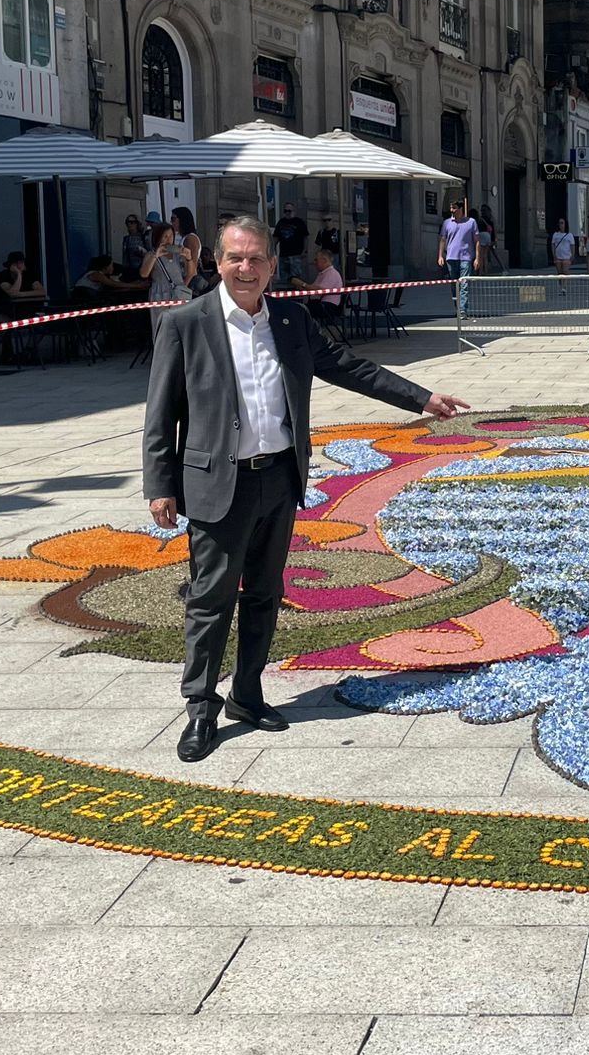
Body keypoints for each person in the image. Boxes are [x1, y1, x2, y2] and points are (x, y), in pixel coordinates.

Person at [145, 216, 468, 762]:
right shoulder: (186, 323)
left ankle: (248, 693)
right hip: (217, 483)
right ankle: (200, 708)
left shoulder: (291, 319)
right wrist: (160, 485)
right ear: (217, 263)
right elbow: (161, 413)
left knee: (265, 594)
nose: (246, 268)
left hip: (278, 477)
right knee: (210, 600)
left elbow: (348, 367)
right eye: (235, 258)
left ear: (272, 265)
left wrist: (421, 398)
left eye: (256, 258)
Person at [141, 220, 196, 305]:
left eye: (171, 236)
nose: (169, 239)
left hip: (178, 293)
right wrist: (155, 255)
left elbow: (191, 273)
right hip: (160, 295)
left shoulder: (178, 254)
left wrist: (189, 258)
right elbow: (144, 274)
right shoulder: (151, 254)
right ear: (158, 237)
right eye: (165, 236)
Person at [439, 198, 479, 314]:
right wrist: (440, 256)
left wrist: (477, 258)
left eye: (454, 208)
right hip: (451, 258)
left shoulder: (471, 222)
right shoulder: (447, 223)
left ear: (461, 208)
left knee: (464, 284)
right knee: (454, 285)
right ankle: (457, 307)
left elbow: (477, 241)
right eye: (451, 208)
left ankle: (463, 310)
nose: (452, 210)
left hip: (466, 258)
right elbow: (442, 239)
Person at [272, 203, 310, 282]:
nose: (287, 213)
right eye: (285, 211)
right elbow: (276, 238)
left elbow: (305, 237)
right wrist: (273, 250)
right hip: (283, 255)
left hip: (296, 255)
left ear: (294, 211)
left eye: (289, 211)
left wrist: (305, 250)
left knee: (296, 279)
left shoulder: (299, 222)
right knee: (284, 279)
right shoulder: (281, 222)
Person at [120, 214, 150, 282]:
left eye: (132, 222)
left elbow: (149, 253)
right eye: (127, 222)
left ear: (137, 224)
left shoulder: (144, 237)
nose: (129, 224)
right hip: (130, 270)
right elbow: (125, 257)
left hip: (142, 269)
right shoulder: (126, 239)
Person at [550, 217, 577, 287]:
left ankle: (564, 286)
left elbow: (572, 245)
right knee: (559, 273)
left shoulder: (569, 235)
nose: (560, 225)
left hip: (566, 256)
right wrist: (554, 254)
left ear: (565, 224)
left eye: (562, 223)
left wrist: (572, 255)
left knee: (565, 271)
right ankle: (560, 285)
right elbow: (553, 245)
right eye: (559, 223)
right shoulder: (555, 234)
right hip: (558, 256)